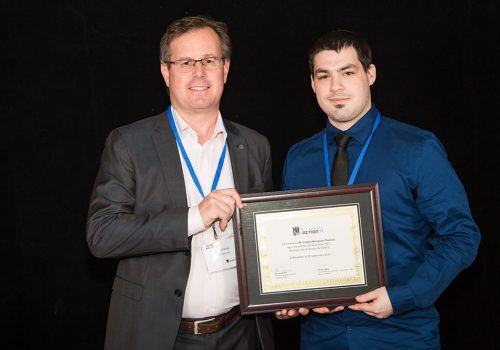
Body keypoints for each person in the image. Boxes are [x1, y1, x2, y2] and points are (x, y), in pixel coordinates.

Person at [276, 29, 480, 349]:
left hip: (401, 332)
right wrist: (288, 296)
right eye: (324, 75)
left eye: (347, 72)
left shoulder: (417, 148)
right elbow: (290, 244)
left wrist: (402, 297)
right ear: (313, 84)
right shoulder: (298, 158)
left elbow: (462, 236)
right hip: (321, 337)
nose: (336, 86)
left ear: (370, 74)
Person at [87, 15, 274, 350]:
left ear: (226, 68)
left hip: (241, 333)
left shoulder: (254, 145)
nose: (199, 73)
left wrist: (287, 289)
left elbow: (264, 238)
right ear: (165, 72)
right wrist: (193, 218)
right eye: (186, 62)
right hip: (162, 336)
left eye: (209, 61)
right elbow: (102, 235)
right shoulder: (129, 143)